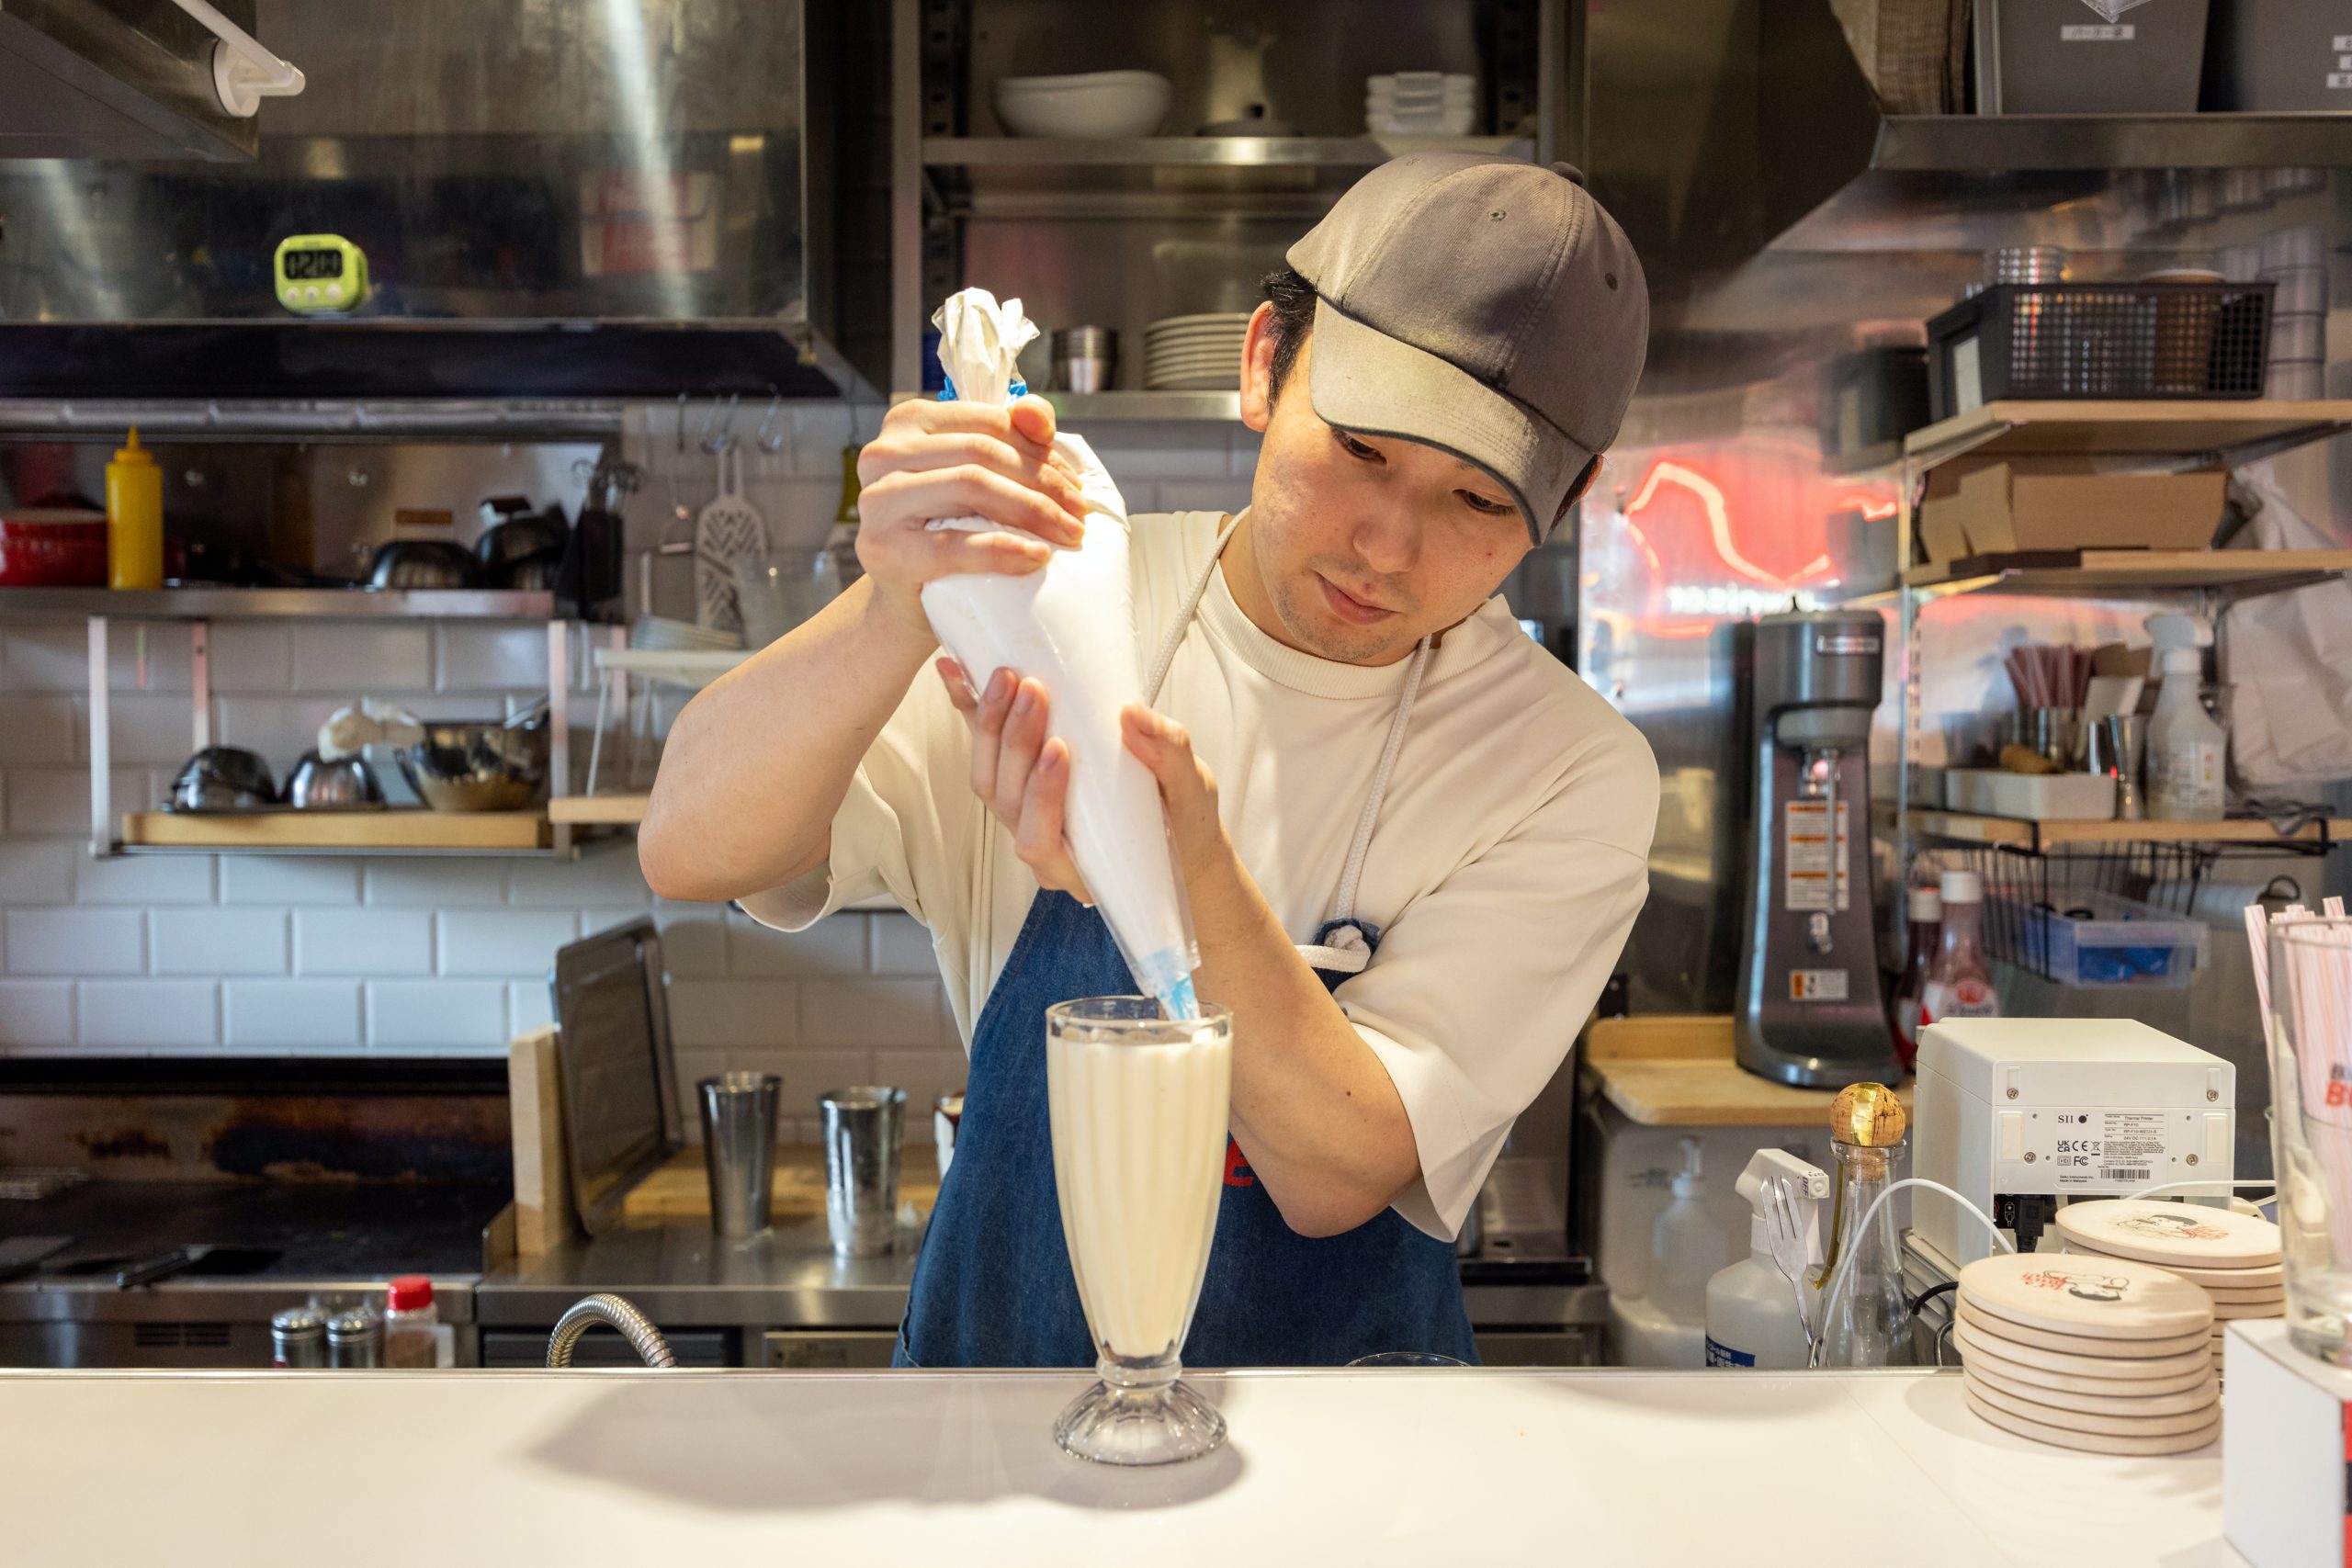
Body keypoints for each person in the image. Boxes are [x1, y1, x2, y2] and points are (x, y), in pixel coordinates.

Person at [640, 152, 1661, 1367]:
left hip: (1352, 1478)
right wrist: (895, 605)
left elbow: (1337, 1168)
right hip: (1001, 1449)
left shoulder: (1566, 767)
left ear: (1571, 498)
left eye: (1479, 503)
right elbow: (690, 845)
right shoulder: (1062, 604)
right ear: (1263, 366)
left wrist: (1158, 861)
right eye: (1363, 450)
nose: (1388, 546)